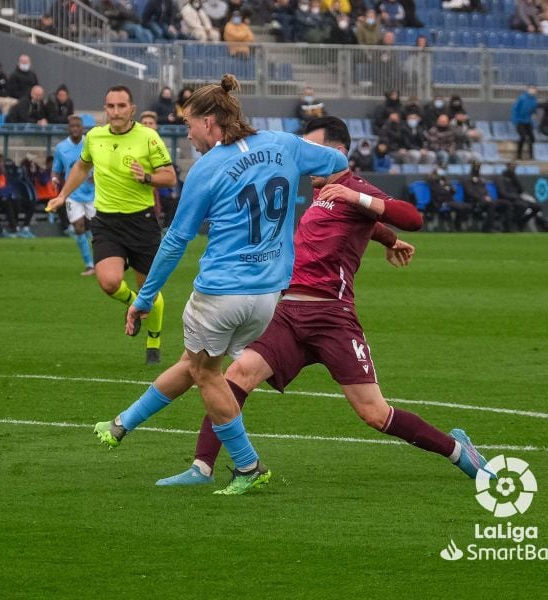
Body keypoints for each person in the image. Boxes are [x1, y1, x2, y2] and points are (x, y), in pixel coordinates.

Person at [152, 116, 492, 488]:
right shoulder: (320, 193)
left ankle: (459, 452)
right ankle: (202, 468)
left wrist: (361, 202)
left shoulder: (354, 189)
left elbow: (412, 217)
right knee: (236, 375)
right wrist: (388, 240)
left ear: (338, 153)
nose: (307, 158)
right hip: (288, 313)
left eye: (315, 150)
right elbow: (359, 223)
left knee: (374, 414)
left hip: (332, 315)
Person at [91, 78, 350, 495]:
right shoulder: (283, 143)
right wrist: (324, 188)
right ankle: (121, 425)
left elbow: (175, 240)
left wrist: (143, 298)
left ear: (210, 122)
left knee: (207, 374)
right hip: (267, 295)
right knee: (196, 363)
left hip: (221, 292)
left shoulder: (207, 169)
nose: (189, 134)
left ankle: (247, 466)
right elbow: (337, 160)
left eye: (190, 125)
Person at [46, 85, 177, 365]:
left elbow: (170, 176)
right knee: (108, 282)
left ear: (132, 109)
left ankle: (153, 340)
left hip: (141, 221)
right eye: (110, 106)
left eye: (121, 106)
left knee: (149, 290)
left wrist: (146, 178)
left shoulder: (148, 138)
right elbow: (82, 167)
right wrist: (62, 195)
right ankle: (134, 306)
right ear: (104, 109)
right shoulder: (94, 137)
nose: (115, 112)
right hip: (106, 221)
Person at [53, 115, 96, 276]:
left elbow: (103, 163)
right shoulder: (61, 147)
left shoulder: (91, 144)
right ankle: (89, 264)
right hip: (72, 193)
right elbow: (56, 168)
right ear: (68, 128)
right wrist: (55, 178)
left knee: (99, 229)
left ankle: (102, 262)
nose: (75, 129)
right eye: (72, 126)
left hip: (93, 193)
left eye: (78, 126)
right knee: (79, 227)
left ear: (82, 128)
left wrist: (97, 175)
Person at [511, 85, 538, 160]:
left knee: (532, 138)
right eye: (531, 89)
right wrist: (515, 120)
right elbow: (515, 109)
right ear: (527, 89)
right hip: (520, 121)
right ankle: (518, 155)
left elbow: (533, 110)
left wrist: (534, 114)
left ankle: (531, 155)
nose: (533, 90)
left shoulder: (534, 100)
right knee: (523, 136)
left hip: (528, 121)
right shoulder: (522, 98)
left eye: (534, 89)